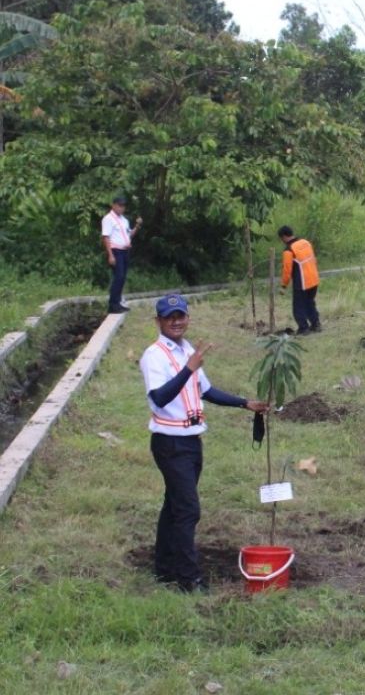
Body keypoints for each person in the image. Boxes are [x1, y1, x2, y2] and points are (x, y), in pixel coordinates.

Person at [140, 293, 268, 592]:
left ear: (187, 318)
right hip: (169, 443)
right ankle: (189, 578)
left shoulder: (187, 349)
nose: (176, 322)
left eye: (180, 316)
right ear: (158, 321)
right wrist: (189, 368)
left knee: (174, 505)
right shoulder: (154, 355)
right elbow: (159, 398)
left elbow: (206, 390)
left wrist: (244, 403)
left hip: (191, 440)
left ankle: (164, 566)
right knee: (188, 510)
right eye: (169, 318)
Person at [101, 195, 142, 314]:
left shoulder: (124, 220)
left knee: (122, 277)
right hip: (116, 251)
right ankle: (112, 305)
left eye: (123, 206)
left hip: (125, 251)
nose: (121, 208)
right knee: (118, 277)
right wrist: (110, 255)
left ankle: (117, 302)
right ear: (113, 205)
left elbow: (130, 235)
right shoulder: (108, 219)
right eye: (119, 205)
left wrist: (137, 226)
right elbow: (106, 237)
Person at [278, 226, 321, 334]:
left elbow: (287, 270)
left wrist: (283, 285)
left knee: (298, 307)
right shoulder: (305, 242)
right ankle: (316, 325)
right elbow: (313, 259)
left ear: (284, 236)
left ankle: (303, 328)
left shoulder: (289, 250)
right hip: (314, 279)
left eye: (281, 238)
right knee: (310, 303)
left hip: (302, 282)